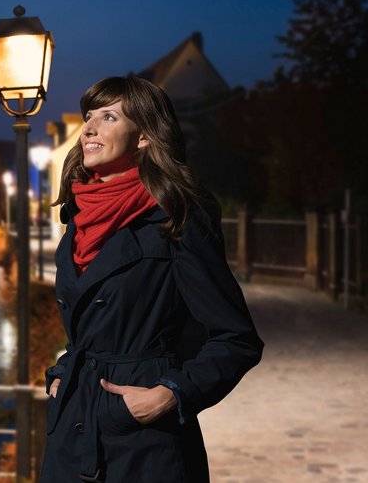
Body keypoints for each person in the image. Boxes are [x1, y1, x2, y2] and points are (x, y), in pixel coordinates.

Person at [40, 76, 263, 483]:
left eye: (108, 117)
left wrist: (169, 394)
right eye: (89, 116)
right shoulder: (77, 216)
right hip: (72, 431)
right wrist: (63, 373)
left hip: (143, 444)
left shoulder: (177, 218)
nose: (88, 127)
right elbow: (90, 327)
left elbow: (236, 339)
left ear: (143, 137)